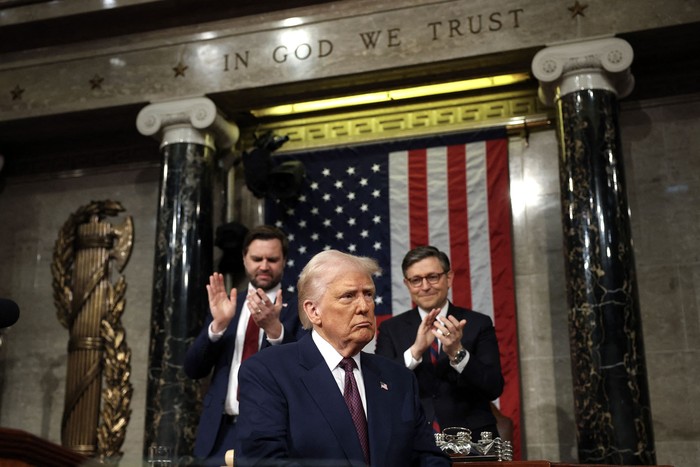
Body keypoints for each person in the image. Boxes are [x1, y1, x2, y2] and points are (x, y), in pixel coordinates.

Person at [235, 250, 450, 466]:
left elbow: (429, 457)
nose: (365, 307)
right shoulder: (267, 371)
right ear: (313, 311)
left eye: (368, 294)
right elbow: (262, 460)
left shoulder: (399, 378)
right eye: (348, 296)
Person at [184, 225, 304, 466]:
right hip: (219, 435)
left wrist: (274, 329)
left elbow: (304, 370)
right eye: (257, 258)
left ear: (284, 261)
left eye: (272, 259)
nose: (264, 266)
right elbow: (193, 369)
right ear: (244, 258)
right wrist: (217, 326)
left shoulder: (300, 308)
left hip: (271, 437)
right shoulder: (228, 305)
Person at [375, 245, 505, 439]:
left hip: (472, 441)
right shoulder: (390, 329)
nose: (425, 286)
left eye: (433, 277)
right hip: (413, 440)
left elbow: (494, 387)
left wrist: (457, 353)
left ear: (449, 278)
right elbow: (380, 386)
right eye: (416, 280)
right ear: (407, 284)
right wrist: (415, 351)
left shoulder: (478, 323)